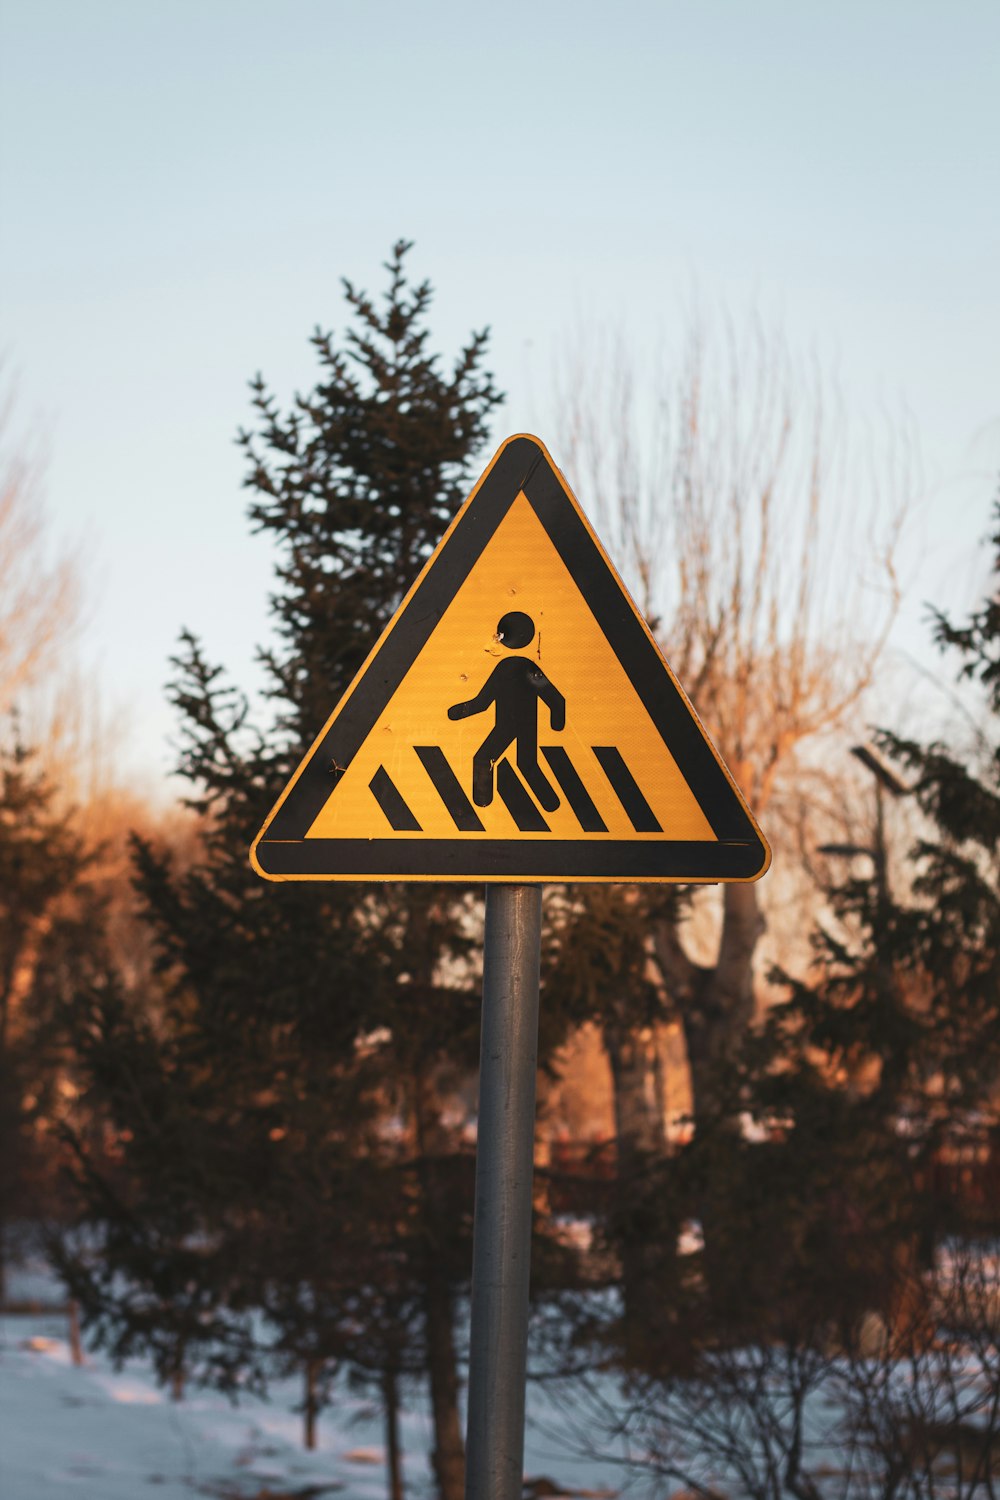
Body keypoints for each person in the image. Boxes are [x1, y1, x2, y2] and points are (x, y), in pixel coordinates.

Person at [448, 611, 565, 810]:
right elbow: (554, 697)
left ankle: (481, 803)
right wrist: (557, 720)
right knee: (527, 765)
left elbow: (482, 702)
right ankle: (552, 805)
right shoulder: (528, 667)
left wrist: (458, 712)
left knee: (484, 758)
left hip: (507, 725)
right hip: (525, 724)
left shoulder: (505, 667)